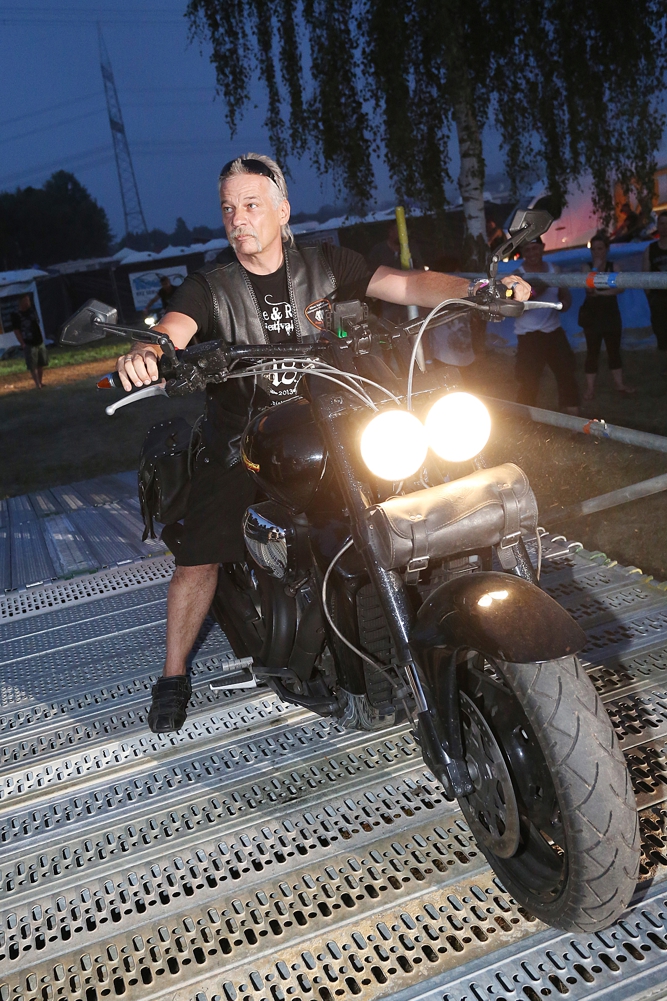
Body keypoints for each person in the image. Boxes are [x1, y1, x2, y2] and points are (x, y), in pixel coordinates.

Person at [116, 152, 531, 734]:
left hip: (335, 419)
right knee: (199, 557)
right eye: (229, 208)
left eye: (252, 204)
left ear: (283, 211)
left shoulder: (326, 263)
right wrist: (149, 352)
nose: (238, 218)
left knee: (427, 478)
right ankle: (173, 672)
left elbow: (404, 283)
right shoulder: (210, 287)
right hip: (245, 436)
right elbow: (173, 328)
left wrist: (477, 287)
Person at [512, 237, 579, 415]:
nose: (532, 253)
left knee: (567, 372)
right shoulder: (517, 276)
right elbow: (514, 306)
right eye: (527, 250)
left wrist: (564, 304)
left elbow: (565, 295)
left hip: (553, 330)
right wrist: (539, 288)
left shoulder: (554, 270)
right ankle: (525, 418)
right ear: (522, 253)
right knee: (528, 379)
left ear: (542, 248)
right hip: (529, 335)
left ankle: (572, 417)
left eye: (535, 248)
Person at [579, 231, 634, 400]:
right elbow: (589, 289)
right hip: (592, 315)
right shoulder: (587, 267)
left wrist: (601, 293)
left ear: (607, 249)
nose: (597, 252)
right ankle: (590, 388)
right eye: (594, 249)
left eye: (600, 249)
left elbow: (621, 287)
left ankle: (619, 384)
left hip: (610, 313)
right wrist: (596, 267)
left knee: (614, 350)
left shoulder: (613, 266)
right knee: (592, 351)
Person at [642, 210, 667, 370]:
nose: (664, 227)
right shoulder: (650, 249)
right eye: (662, 224)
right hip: (658, 300)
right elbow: (645, 275)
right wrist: (650, 296)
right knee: (662, 334)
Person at [11, 293, 48, 389]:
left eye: (28, 300)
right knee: (32, 364)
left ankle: (40, 381)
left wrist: (41, 336)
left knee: (41, 362)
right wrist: (22, 343)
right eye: (26, 301)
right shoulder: (16, 315)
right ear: (21, 302)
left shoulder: (32, 311)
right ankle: (37, 383)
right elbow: (16, 330)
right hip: (28, 342)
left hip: (38, 340)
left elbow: (37, 323)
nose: (28, 303)